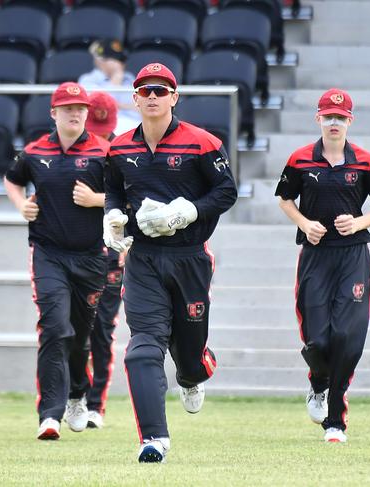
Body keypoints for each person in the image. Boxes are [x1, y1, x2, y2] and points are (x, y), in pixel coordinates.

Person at [104, 63, 237, 462]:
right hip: (143, 259)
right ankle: (154, 439)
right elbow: (113, 192)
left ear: (174, 98)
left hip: (190, 258)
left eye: (161, 91)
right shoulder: (118, 147)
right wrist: (112, 218)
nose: (152, 97)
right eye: (145, 91)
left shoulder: (204, 143)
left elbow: (227, 192)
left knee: (190, 358)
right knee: (142, 348)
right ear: (135, 98)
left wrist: (188, 213)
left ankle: (194, 374)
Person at [275, 88, 370, 443]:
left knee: (347, 335)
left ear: (350, 122)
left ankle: (335, 420)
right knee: (317, 338)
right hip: (315, 255)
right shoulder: (300, 159)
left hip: (352, 256)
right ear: (318, 119)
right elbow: (284, 198)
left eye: (340, 118)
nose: (334, 123)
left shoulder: (365, 161)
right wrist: (304, 223)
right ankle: (318, 383)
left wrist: (359, 223)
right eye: (328, 116)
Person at [3, 82, 108, 440]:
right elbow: (12, 180)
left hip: (92, 257)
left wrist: (97, 200)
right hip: (48, 253)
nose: (76, 113)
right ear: (54, 113)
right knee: (54, 329)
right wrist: (22, 206)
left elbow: (127, 195)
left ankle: (78, 394)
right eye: (68, 108)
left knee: (79, 337)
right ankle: (49, 414)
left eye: (81, 108)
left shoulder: (104, 152)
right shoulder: (34, 152)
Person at [82, 91, 123, 428]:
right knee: (69, 330)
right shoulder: (72, 151)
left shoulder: (122, 153)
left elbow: (136, 199)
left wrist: (96, 199)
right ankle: (74, 398)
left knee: (101, 332)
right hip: (74, 253)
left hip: (110, 254)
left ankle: (96, 405)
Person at [79, 39, 140, 134]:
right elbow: (99, 107)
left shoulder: (130, 78)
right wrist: (116, 77)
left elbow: (141, 107)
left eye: (121, 60)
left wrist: (119, 105)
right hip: (102, 127)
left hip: (135, 126)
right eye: (114, 59)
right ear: (100, 60)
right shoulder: (87, 80)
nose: (120, 63)